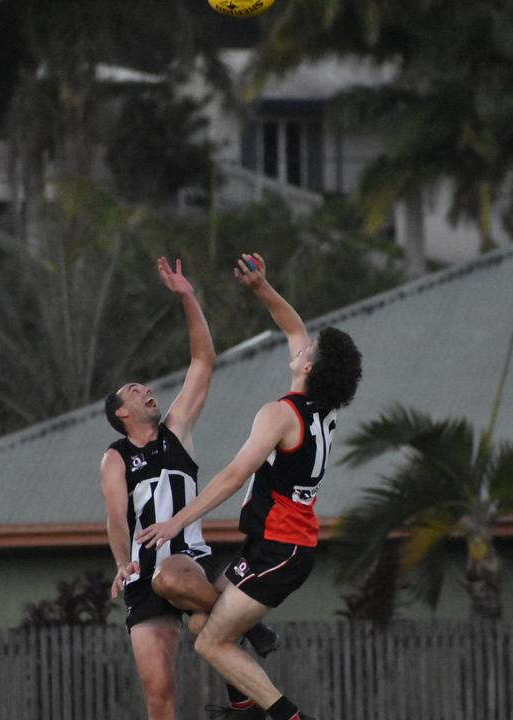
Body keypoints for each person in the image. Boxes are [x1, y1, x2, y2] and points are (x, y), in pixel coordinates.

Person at [137, 252, 364, 720]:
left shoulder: (280, 414)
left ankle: (282, 716)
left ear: (309, 367)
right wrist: (260, 286)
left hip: (280, 550)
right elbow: (294, 326)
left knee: (209, 642)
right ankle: (246, 691)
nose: (300, 348)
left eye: (308, 350)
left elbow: (234, 475)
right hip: (277, 545)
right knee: (202, 618)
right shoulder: (323, 406)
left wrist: (177, 521)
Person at [100, 256, 278, 720]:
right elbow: (116, 518)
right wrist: (123, 564)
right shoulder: (116, 456)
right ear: (122, 412)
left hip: (186, 563)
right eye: (135, 390)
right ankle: (242, 629)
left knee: (171, 577)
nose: (146, 391)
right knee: (158, 697)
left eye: (145, 387)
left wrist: (188, 297)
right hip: (143, 578)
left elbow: (203, 359)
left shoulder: (176, 431)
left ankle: (242, 631)